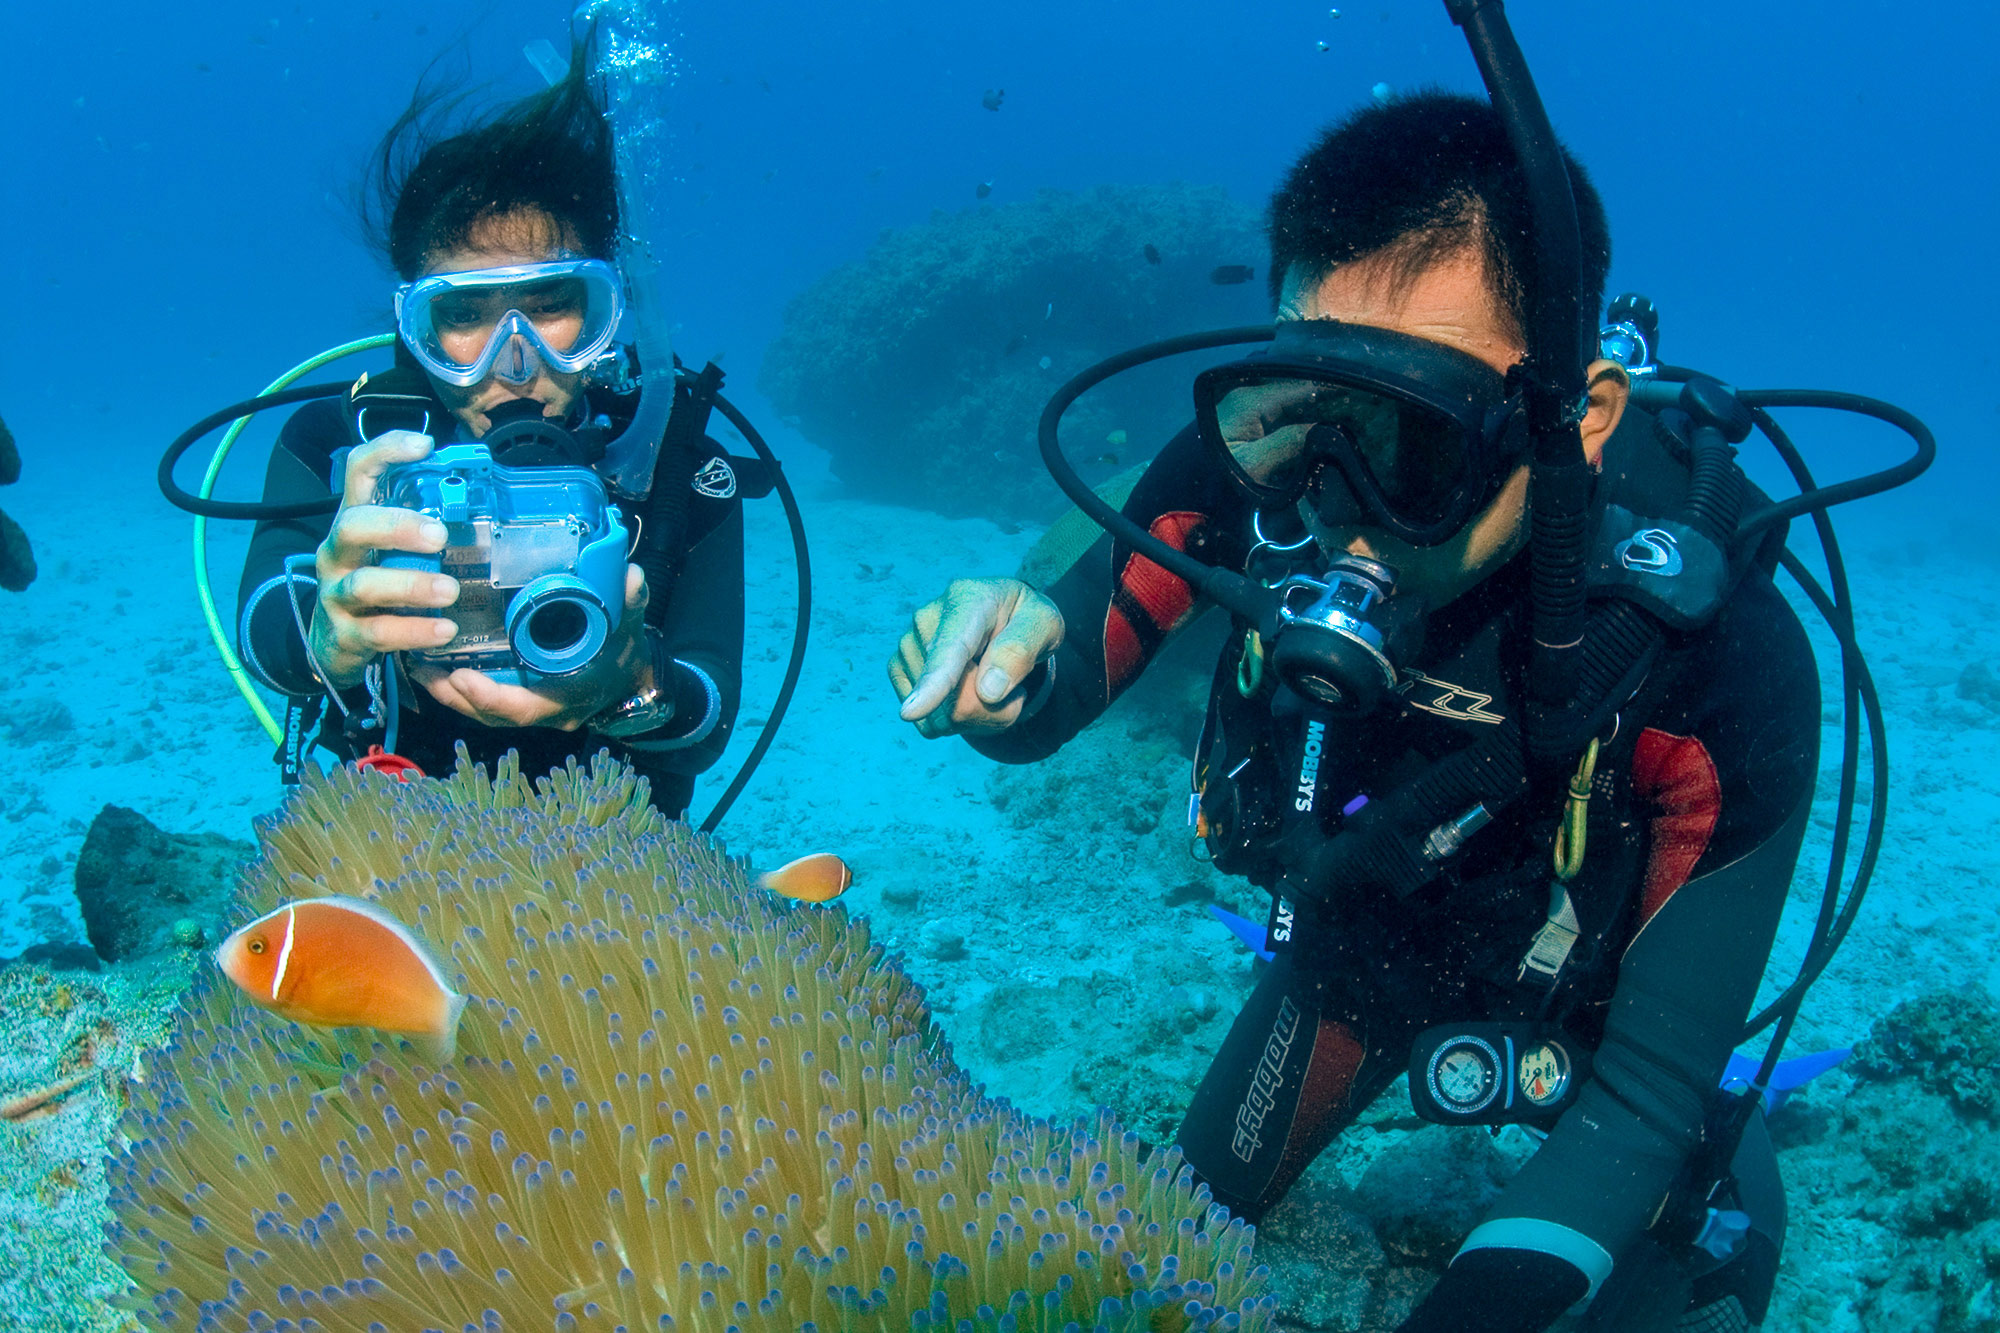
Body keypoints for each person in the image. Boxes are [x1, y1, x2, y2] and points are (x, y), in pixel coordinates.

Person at [889, 91, 1814, 1333]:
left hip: (1607, 1023)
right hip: (1365, 943)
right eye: (1308, 415)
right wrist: (998, 672)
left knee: (1686, 1281)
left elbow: (1647, 1091)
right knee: (1159, 1253)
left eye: (1414, 431)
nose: (1336, 493)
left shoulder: (1715, 652)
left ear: (1575, 417)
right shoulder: (1242, 473)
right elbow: (1049, 694)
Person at [235, 44, 742, 819]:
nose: (514, 361)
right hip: (391, 833)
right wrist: (326, 634)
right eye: (464, 315)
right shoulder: (341, 448)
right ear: (417, 328)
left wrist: (635, 683)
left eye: (551, 303)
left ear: (608, 316)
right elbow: (265, 623)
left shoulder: (678, 470)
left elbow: (708, 715)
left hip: (622, 869)